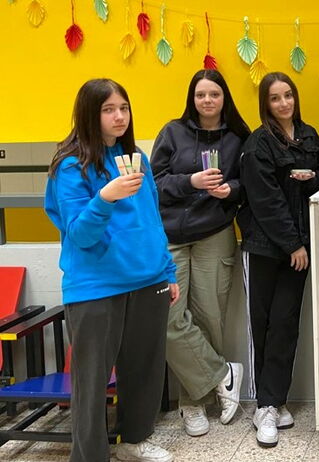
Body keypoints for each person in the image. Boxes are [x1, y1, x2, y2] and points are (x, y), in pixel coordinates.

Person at [44, 79, 177, 462]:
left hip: (148, 279)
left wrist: (167, 270)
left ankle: (134, 441)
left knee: (144, 371)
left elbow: (151, 219)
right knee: (92, 381)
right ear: (90, 113)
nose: (119, 117)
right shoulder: (71, 166)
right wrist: (105, 197)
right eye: (108, 109)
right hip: (96, 287)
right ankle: (90, 456)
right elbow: (80, 234)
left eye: (124, 108)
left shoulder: (136, 157)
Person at [150, 69, 250, 437]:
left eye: (214, 94)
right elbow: (152, 183)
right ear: (192, 99)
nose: (207, 100)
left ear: (224, 98)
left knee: (210, 318)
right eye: (200, 94)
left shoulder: (239, 137)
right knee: (168, 318)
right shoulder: (172, 132)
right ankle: (224, 375)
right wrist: (190, 182)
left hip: (215, 233)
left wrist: (231, 190)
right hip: (171, 236)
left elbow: (249, 184)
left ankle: (192, 404)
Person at [237, 71, 319, 447]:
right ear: (266, 103)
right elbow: (266, 201)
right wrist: (292, 244)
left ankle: (275, 400)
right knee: (262, 325)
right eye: (275, 98)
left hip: (299, 248)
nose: (283, 103)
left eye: (288, 95)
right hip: (266, 248)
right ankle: (264, 406)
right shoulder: (258, 143)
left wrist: (311, 178)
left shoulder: (309, 136)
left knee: (286, 324)